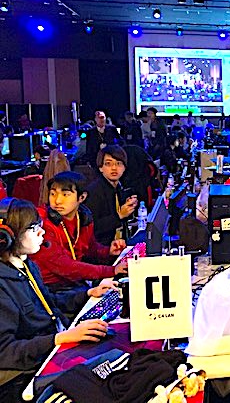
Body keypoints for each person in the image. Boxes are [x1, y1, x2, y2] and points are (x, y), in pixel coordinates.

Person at [0, 197, 113, 399]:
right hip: (29, 372)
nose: (42, 232)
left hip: (54, 345)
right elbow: (5, 352)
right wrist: (59, 339)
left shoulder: (25, 264)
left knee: (112, 356)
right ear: (7, 237)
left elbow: (47, 301)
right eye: (33, 228)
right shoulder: (2, 284)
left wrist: (87, 293)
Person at [30, 172, 128, 313]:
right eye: (53, 194)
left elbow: (90, 248)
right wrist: (111, 270)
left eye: (65, 195)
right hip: (52, 289)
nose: (57, 201)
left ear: (82, 197)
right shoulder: (43, 224)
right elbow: (65, 267)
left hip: (73, 282)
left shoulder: (83, 217)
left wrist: (108, 251)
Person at [85, 146, 138, 245]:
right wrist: (119, 215)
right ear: (101, 167)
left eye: (118, 163)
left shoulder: (118, 186)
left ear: (124, 168)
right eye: (108, 164)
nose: (114, 168)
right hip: (102, 249)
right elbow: (91, 228)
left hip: (120, 243)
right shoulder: (93, 191)